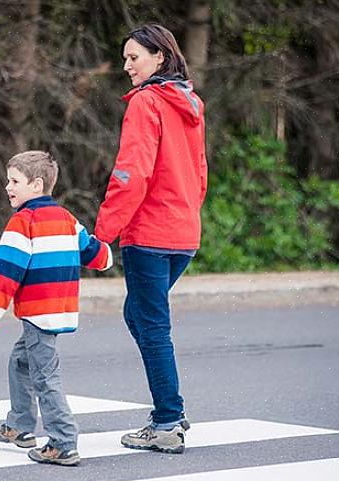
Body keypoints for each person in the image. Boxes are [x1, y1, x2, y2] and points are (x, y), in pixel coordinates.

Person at [94, 24, 208, 454]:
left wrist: (103, 236)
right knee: (139, 315)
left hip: (149, 234)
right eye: (125, 58)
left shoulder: (147, 103)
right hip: (183, 233)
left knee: (152, 325)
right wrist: (187, 217)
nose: (126, 66)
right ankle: (168, 410)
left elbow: (130, 174)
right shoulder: (191, 103)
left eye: (133, 58)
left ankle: (167, 420)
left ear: (160, 57)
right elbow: (200, 173)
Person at [0, 150, 113, 466]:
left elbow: (7, 271)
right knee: (20, 360)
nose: (7, 187)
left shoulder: (22, 223)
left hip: (39, 312)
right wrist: (107, 256)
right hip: (58, 308)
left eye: (14, 181)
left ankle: (63, 442)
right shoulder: (66, 219)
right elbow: (92, 252)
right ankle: (20, 426)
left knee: (45, 376)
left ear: (36, 185)